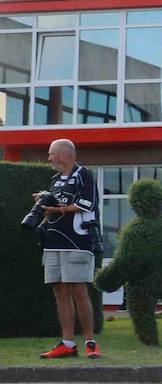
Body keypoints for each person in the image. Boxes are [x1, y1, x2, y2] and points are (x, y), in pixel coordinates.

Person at [34, 139, 102, 360]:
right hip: (53, 243)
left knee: (79, 290)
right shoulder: (55, 181)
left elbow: (86, 205)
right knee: (60, 291)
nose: (49, 158)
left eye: (51, 154)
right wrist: (43, 204)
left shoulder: (84, 175)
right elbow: (52, 208)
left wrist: (54, 209)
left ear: (63, 155)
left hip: (77, 242)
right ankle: (68, 344)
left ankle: (91, 343)